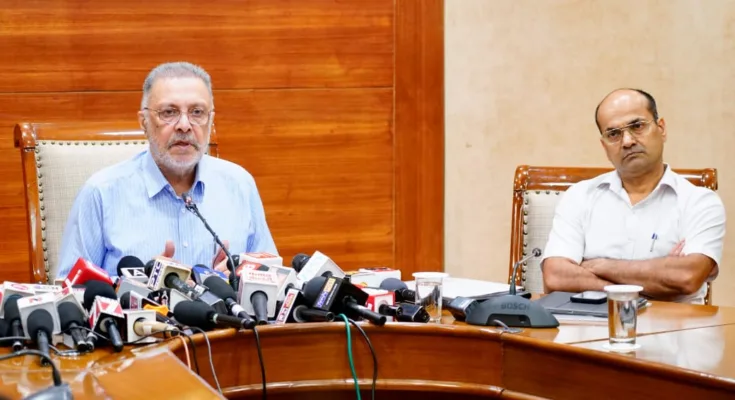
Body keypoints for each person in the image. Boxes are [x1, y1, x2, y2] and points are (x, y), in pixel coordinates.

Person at [56, 61, 277, 278]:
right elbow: (71, 289)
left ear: (211, 120)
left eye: (197, 112)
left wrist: (239, 279)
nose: (184, 125)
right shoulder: (101, 193)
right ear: (144, 122)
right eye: (169, 112)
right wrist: (139, 287)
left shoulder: (240, 184)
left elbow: (273, 278)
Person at [541, 88, 725, 304]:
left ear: (661, 129)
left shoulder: (699, 202)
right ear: (604, 146)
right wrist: (658, 280)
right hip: (592, 320)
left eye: (637, 126)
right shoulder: (580, 196)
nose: (627, 141)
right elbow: (555, 277)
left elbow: (686, 277)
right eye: (613, 134)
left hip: (674, 323)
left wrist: (598, 266)